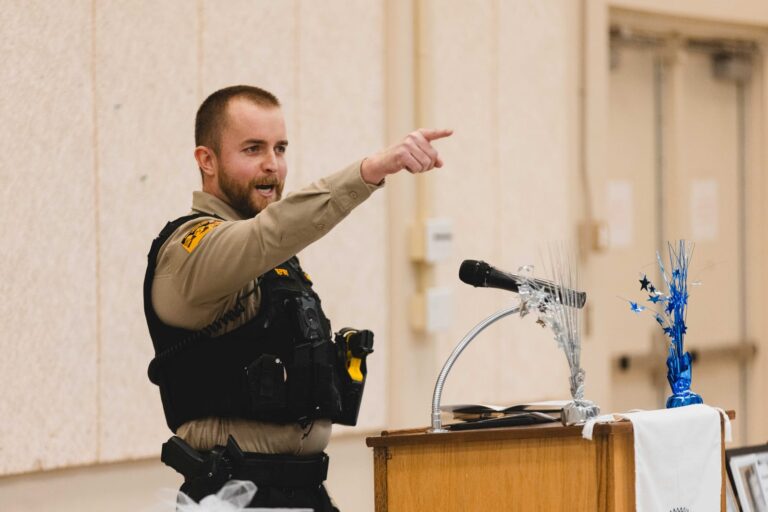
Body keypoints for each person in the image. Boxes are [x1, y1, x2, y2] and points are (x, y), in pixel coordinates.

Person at [143, 85, 452, 510]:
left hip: (303, 490)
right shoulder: (190, 250)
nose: (272, 164)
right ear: (206, 160)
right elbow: (269, 232)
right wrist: (368, 171)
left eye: (280, 148)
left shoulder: (273, 258)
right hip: (233, 496)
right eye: (253, 149)